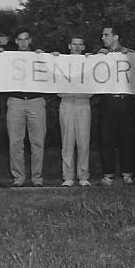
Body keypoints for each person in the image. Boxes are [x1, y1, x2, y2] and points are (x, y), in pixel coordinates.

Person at [98, 25, 135, 186]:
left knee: (127, 138)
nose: (103, 38)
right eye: (102, 35)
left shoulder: (129, 54)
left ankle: (127, 173)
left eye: (106, 35)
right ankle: (108, 174)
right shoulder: (102, 55)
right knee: (106, 138)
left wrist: (132, 56)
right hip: (108, 101)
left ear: (116, 37)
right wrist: (93, 57)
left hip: (126, 101)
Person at [6, 28, 47, 187]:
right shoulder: (8, 58)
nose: (23, 42)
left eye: (26, 39)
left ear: (30, 40)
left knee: (38, 142)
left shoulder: (39, 56)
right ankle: (19, 177)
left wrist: (51, 58)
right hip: (15, 101)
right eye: (20, 39)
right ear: (16, 41)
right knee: (15, 142)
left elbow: (54, 70)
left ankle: (37, 178)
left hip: (36, 101)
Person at [56, 36, 92, 187]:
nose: (77, 47)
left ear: (83, 47)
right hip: (67, 102)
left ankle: (83, 175)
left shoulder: (90, 63)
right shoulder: (61, 62)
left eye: (80, 45)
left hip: (83, 103)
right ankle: (68, 176)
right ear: (69, 46)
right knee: (67, 141)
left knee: (84, 141)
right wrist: (52, 59)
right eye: (74, 44)